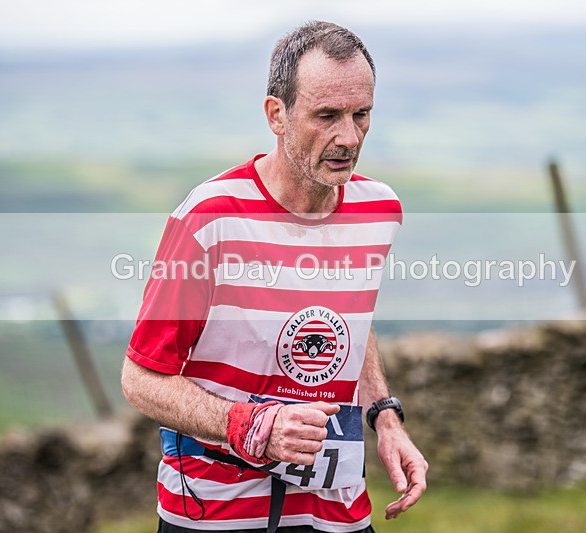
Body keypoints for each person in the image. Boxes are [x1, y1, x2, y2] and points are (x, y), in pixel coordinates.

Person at [121, 20, 427, 533]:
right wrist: (249, 425)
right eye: (326, 115)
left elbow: (352, 318)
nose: (348, 137)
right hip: (215, 511)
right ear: (276, 115)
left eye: (362, 114)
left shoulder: (379, 210)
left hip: (337, 508)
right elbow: (140, 379)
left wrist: (386, 418)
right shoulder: (209, 219)